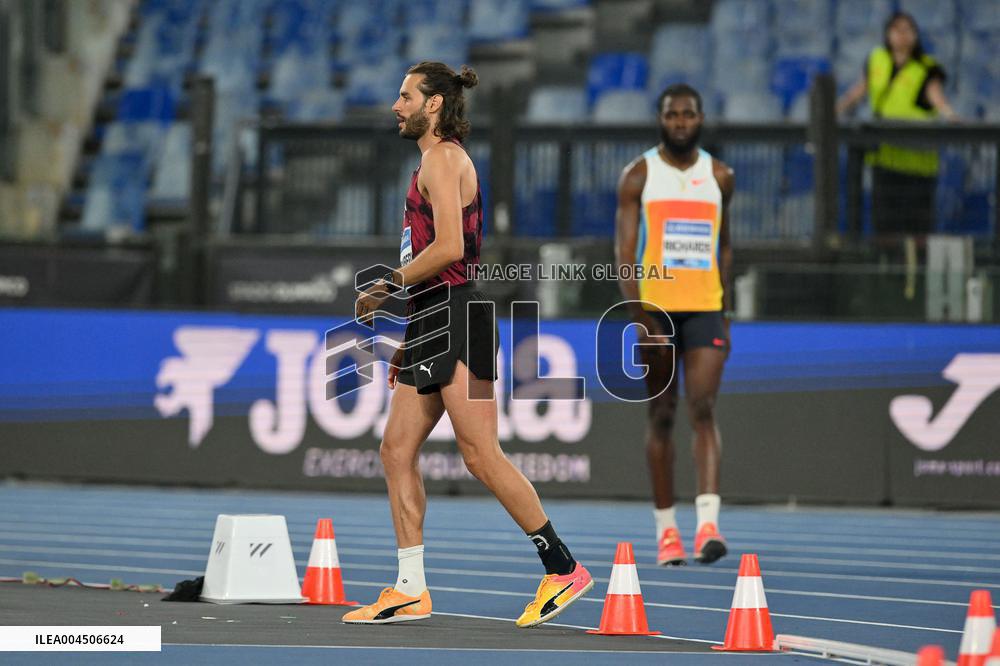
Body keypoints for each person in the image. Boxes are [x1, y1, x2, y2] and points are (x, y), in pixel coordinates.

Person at [343, 61, 593, 626]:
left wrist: (388, 285)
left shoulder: (444, 158)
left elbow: (451, 248)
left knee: (480, 455)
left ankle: (562, 568)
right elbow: (434, 261)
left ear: (433, 104)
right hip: (434, 317)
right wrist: (410, 332)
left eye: (405, 96)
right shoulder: (432, 162)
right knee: (395, 450)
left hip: (458, 315)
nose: (395, 106)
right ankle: (410, 588)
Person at [615, 83, 734, 566]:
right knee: (661, 414)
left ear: (701, 118)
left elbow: (726, 244)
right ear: (661, 119)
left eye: (688, 114)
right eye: (672, 114)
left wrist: (725, 302)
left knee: (702, 408)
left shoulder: (720, 176)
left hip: (707, 306)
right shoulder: (639, 175)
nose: (680, 122)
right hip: (657, 310)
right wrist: (638, 314)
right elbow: (623, 253)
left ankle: (708, 524)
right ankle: (667, 530)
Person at [836, 11, 957, 236]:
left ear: (915, 36)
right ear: (888, 34)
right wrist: (835, 110)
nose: (902, 35)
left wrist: (950, 115)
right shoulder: (877, 59)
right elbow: (859, 91)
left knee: (918, 227)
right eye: (897, 30)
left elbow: (937, 96)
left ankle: (916, 269)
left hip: (919, 160)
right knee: (886, 226)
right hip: (887, 157)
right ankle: (887, 268)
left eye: (908, 30)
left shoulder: (927, 67)